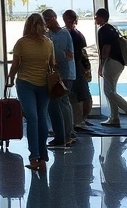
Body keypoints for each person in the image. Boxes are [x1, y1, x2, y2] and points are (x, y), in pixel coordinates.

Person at [5, 13, 55, 171]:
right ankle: (42, 156)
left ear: (27, 25)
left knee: (32, 118)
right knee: (41, 118)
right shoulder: (48, 43)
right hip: (44, 85)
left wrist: (10, 78)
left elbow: (15, 65)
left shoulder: (21, 43)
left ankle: (34, 157)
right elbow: (52, 64)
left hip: (25, 84)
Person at [95, 8, 127, 129]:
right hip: (119, 63)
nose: (95, 19)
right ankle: (114, 118)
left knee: (108, 92)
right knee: (111, 91)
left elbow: (106, 49)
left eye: (96, 16)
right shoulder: (112, 28)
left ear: (101, 17)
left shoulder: (103, 30)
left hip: (111, 62)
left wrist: (101, 66)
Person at [43, 9, 76, 148]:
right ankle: (67, 133)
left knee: (62, 103)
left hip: (65, 74)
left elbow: (60, 54)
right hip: (60, 74)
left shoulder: (62, 34)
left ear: (54, 18)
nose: (46, 22)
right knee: (62, 103)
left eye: (48, 19)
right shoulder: (49, 35)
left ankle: (66, 134)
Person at [63, 10, 93, 129]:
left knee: (78, 95)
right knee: (80, 95)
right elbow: (82, 54)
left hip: (74, 68)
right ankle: (79, 120)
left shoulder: (69, 34)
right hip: (76, 68)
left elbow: (79, 55)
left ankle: (78, 120)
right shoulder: (77, 34)